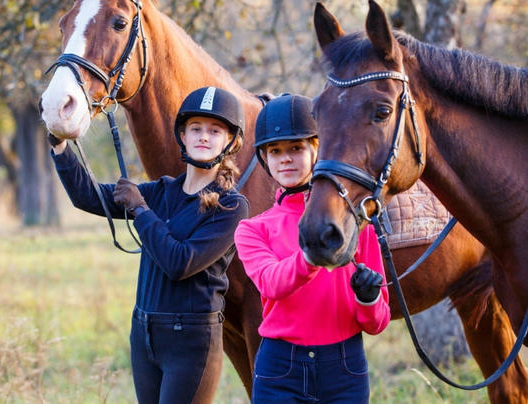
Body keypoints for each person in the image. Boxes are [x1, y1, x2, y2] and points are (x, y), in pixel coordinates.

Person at [49, 87, 250, 404]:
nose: (203, 137)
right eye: (195, 128)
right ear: (182, 136)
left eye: (214, 130)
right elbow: (88, 196)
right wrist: (60, 145)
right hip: (144, 331)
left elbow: (180, 263)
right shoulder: (161, 191)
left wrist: (140, 210)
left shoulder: (231, 206)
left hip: (191, 342)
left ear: (230, 141)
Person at [234, 94, 390, 403]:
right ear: (264, 159)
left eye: (296, 148)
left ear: (316, 149)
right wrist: (314, 251)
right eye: (275, 151)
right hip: (280, 367)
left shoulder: (355, 225)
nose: (286, 159)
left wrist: (368, 297)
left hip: (344, 366)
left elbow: (377, 322)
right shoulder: (252, 229)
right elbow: (272, 283)